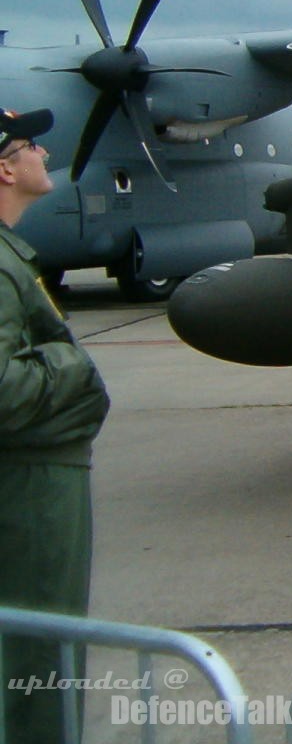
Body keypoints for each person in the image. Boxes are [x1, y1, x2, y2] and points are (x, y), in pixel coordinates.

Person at [0, 109, 111, 744]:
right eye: (28, 145)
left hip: (36, 479)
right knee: (41, 654)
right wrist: (69, 362)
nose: (44, 152)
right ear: (6, 168)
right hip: (32, 489)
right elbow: (6, 391)